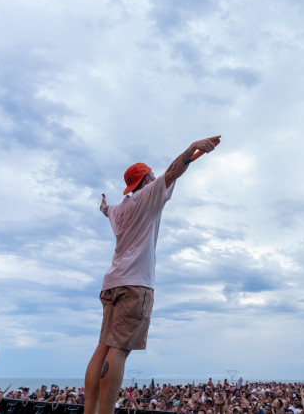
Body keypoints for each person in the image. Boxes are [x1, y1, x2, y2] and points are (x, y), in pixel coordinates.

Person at [83, 136, 222, 414]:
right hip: (135, 283)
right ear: (146, 180)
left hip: (111, 283)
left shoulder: (118, 210)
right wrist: (191, 148)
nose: (157, 178)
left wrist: (102, 206)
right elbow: (173, 172)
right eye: (152, 175)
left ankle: (90, 410)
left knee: (103, 345)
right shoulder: (147, 195)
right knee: (119, 350)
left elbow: (106, 210)